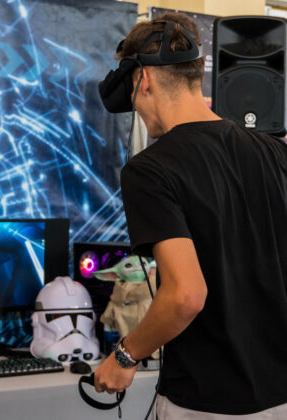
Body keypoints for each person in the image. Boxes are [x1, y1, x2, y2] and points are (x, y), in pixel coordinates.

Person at [94, 11, 287, 419]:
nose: (137, 110)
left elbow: (185, 295)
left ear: (143, 80)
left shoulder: (150, 170)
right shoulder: (276, 153)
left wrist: (125, 356)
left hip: (205, 404)